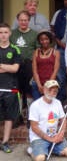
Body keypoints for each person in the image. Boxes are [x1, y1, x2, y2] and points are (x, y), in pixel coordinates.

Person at [28, 80, 67, 160]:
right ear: (44, 90)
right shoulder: (35, 105)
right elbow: (34, 127)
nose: (52, 92)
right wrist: (50, 139)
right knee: (40, 159)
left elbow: (63, 120)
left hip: (54, 136)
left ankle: (45, 150)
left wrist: (61, 133)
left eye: (55, 91)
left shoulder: (57, 103)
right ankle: (32, 150)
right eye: (50, 90)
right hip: (39, 138)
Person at [0, 23, 21, 153]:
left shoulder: (15, 49)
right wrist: (7, 67)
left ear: (10, 33)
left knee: (9, 117)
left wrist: (2, 66)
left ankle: (5, 142)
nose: (3, 35)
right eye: (1, 32)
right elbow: (11, 67)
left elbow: (15, 69)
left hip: (10, 88)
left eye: (5, 32)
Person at [10, 10, 38, 107]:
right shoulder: (12, 33)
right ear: (18, 20)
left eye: (25, 20)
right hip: (15, 65)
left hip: (29, 64)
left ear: (29, 21)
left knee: (29, 89)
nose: (23, 22)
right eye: (21, 20)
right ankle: (19, 113)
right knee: (17, 89)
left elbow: (37, 51)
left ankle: (29, 114)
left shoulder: (34, 34)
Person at [32, 31, 60, 100]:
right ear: (39, 41)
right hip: (37, 84)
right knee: (38, 106)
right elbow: (34, 70)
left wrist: (48, 85)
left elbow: (55, 70)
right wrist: (39, 85)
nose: (44, 41)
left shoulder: (56, 52)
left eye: (46, 39)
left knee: (49, 107)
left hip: (51, 85)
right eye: (42, 39)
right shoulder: (36, 52)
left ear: (50, 40)